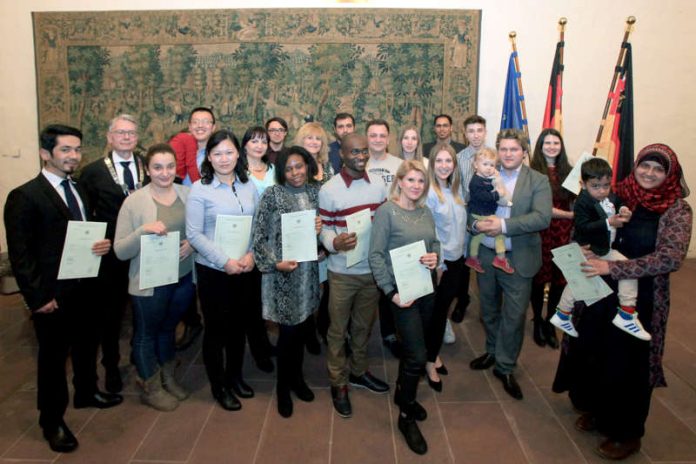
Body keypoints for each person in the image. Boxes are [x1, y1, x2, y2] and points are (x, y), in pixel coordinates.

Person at [553, 144, 692, 460]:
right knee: (597, 351)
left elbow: (670, 258)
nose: (650, 173)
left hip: (640, 300)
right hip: (600, 292)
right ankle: (599, 412)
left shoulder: (676, 210)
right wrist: (584, 247)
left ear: (670, 175)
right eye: (645, 166)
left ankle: (626, 432)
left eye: (659, 169)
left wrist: (613, 267)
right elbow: (586, 226)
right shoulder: (620, 195)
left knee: (628, 364)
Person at [4, 125, 123, 453]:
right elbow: (21, 255)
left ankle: (86, 392)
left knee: (87, 345)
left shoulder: (80, 188)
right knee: (54, 359)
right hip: (52, 295)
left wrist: (101, 245)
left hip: (86, 287)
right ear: (46, 153)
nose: (73, 156)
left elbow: (82, 233)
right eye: (65, 150)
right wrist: (38, 299)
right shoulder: (24, 196)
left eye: (77, 149)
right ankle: (51, 420)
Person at [186, 130, 270, 411]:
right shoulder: (201, 189)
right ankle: (219, 385)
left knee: (240, 328)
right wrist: (225, 261)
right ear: (209, 157)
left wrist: (251, 256)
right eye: (217, 153)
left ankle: (235, 376)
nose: (224, 159)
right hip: (214, 272)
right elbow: (195, 234)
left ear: (238, 154)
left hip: (246, 268)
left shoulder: (248, 186)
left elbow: (260, 226)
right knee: (217, 331)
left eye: (229, 152)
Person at [468, 129, 551, 401]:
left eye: (513, 149)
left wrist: (503, 225)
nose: (507, 154)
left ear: (524, 151)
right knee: (488, 310)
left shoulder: (537, 180)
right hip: (488, 256)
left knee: (514, 316)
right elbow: (470, 208)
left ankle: (505, 366)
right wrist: (475, 224)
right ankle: (493, 351)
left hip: (518, 257)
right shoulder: (486, 171)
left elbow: (542, 218)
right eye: (503, 149)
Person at [113, 143, 194, 411]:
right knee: (147, 334)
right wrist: (143, 231)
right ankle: (151, 385)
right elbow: (120, 250)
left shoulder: (187, 193)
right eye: (157, 167)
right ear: (147, 169)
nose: (164, 173)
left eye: (170, 166)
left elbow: (199, 229)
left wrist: (192, 244)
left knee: (169, 329)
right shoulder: (134, 202)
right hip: (150, 283)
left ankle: (168, 377)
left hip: (182, 278)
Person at [369, 160, 439, 455]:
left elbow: (434, 244)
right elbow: (375, 256)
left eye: (420, 182)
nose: (415, 186)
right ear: (399, 182)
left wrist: (435, 257)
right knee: (417, 356)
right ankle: (406, 416)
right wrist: (391, 293)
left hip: (426, 289)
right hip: (402, 294)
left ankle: (402, 394)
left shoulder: (425, 211)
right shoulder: (387, 211)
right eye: (410, 180)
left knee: (415, 348)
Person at [319, 133, 389, 419]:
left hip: (371, 271)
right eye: (354, 153)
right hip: (342, 272)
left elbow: (384, 223)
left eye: (364, 152)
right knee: (338, 330)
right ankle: (338, 382)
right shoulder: (330, 190)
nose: (360, 157)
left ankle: (359, 371)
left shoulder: (379, 185)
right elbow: (324, 227)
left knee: (362, 327)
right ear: (342, 155)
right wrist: (333, 243)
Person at [252, 146, 322, 418]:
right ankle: (283, 387)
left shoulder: (315, 193)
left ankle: (298, 379)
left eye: (299, 166)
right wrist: (275, 263)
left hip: (307, 276)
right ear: (282, 170)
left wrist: (319, 230)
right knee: (287, 336)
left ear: (308, 165)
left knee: (303, 330)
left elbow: (319, 236)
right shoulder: (272, 195)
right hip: (282, 277)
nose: (295, 173)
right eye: (289, 168)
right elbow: (259, 238)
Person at [80, 114, 148, 393]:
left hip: (145, 251)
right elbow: (84, 213)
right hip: (111, 254)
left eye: (131, 133)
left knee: (143, 311)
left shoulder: (148, 166)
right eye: (120, 133)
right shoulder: (92, 172)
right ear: (109, 137)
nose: (126, 137)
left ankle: (140, 356)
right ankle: (110, 366)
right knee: (111, 314)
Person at [549, 157, 646, 340]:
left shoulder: (607, 195)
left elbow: (616, 200)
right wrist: (608, 222)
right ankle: (624, 313)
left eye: (606, 185)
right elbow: (583, 226)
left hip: (601, 248)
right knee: (581, 280)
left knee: (588, 278)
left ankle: (564, 314)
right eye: (596, 186)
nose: (602, 191)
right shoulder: (582, 202)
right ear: (583, 184)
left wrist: (624, 208)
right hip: (591, 248)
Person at [169, 107, 216, 349]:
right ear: (188, 125)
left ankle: (213, 325)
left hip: (210, 218)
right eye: (195, 122)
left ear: (213, 127)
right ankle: (191, 321)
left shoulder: (218, 152)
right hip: (182, 215)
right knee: (185, 272)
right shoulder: (177, 150)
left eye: (206, 122)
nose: (200, 126)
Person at [424, 144, 466, 392]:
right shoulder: (429, 192)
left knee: (442, 313)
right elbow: (428, 232)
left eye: (448, 161)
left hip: (457, 260)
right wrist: (438, 264)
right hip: (440, 264)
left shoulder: (456, 190)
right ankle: (428, 362)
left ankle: (433, 354)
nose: (443, 165)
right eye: (439, 161)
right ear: (432, 164)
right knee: (435, 315)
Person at [528, 128, 575, 348]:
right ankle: (537, 320)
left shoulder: (571, 172)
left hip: (563, 234)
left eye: (556, 143)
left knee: (558, 281)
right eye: (547, 143)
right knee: (539, 279)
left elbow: (579, 200)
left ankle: (550, 322)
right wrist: (569, 215)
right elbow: (541, 208)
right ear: (540, 146)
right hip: (540, 232)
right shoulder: (531, 172)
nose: (552, 147)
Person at [365, 119, 404, 357]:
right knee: (368, 288)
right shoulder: (359, 162)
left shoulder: (399, 165)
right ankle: (359, 333)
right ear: (367, 137)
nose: (378, 139)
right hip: (366, 233)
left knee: (390, 283)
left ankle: (390, 333)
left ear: (388, 138)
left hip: (393, 233)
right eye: (373, 135)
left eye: (382, 135)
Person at [451, 114, 488, 322]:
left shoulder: (495, 155)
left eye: (479, 130)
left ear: (485, 132)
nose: (475, 135)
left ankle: (488, 304)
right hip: (467, 217)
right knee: (465, 261)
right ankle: (463, 299)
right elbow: (456, 189)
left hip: (491, 217)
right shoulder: (459, 158)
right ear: (465, 134)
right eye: (471, 131)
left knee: (487, 260)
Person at [465, 148, 514, 275]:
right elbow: (483, 197)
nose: (488, 168)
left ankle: (473, 258)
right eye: (485, 164)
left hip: (484, 213)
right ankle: (500, 258)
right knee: (500, 234)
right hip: (480, 214)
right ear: (476, 165)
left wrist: (496, 179)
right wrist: (497, 194)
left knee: (478, 236)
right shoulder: (475, 181)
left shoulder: (487, 178)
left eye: (492, 165)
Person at [242, 126, 276, 196]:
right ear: (245, 145)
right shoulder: (239, 170)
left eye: (264, 142)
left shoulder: (273, 169)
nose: (260, 146)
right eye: (254, 141)